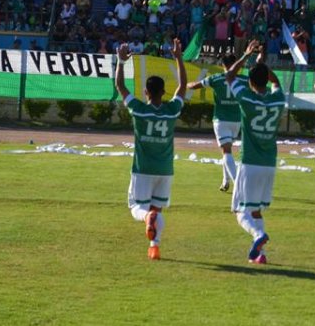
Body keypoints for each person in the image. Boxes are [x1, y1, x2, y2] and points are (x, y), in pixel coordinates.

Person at [114, 38, 187, 261]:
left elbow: (120, 86)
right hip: (165, 169)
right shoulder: (172, 110)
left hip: (143, 168)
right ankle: (154, 245)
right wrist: (179, 58)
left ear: (146, 92)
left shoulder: (138, 110)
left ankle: (147, 219)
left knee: (137, 208)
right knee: (158, 209)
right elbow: (183, 87)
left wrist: (120, 62)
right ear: (163, 92)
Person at [227, 40, 285, 264]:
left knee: (240, 212)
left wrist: (245, 56)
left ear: (250, 82)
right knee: (257, 210)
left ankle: (258, 235)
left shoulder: (247, 98)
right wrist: (263, 67)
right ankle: (260, 254)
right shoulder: (277, 100)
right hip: (269, 163)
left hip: (250, 163)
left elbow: (230, 76)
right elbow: (276, 82)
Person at [185, 53, 242, 192]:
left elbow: (195, 86)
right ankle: (225, 181)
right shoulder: (243, 80)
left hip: (221, 119)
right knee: (226, 151)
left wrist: (186, 84)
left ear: (222, 65)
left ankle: (237, 185)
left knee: (226, 151)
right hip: (236, 120)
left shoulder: (216, 78)